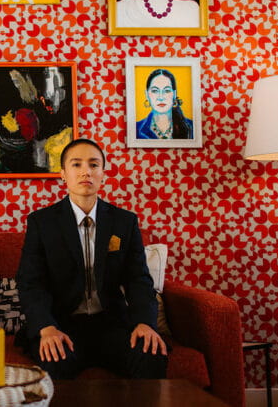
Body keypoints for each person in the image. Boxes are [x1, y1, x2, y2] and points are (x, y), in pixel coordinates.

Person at [15, 138, 168, 379]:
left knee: (151, 355)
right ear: (63, 174)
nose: (86, 171)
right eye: (76, 164)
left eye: (94, 165)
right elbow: (31, 282)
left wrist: (144, 323)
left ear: (103, 173)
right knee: (54, 361)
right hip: (62, 324)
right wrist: (46, 328)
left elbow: (138, 279)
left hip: (112, 324)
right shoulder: (42, 223)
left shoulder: (124, 222)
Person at [135, 68, 193, 140]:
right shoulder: (136, 129)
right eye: (155, 91)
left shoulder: (191, 127)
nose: (161, 97)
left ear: (174, 94)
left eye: (167, 90)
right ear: (147, 94)